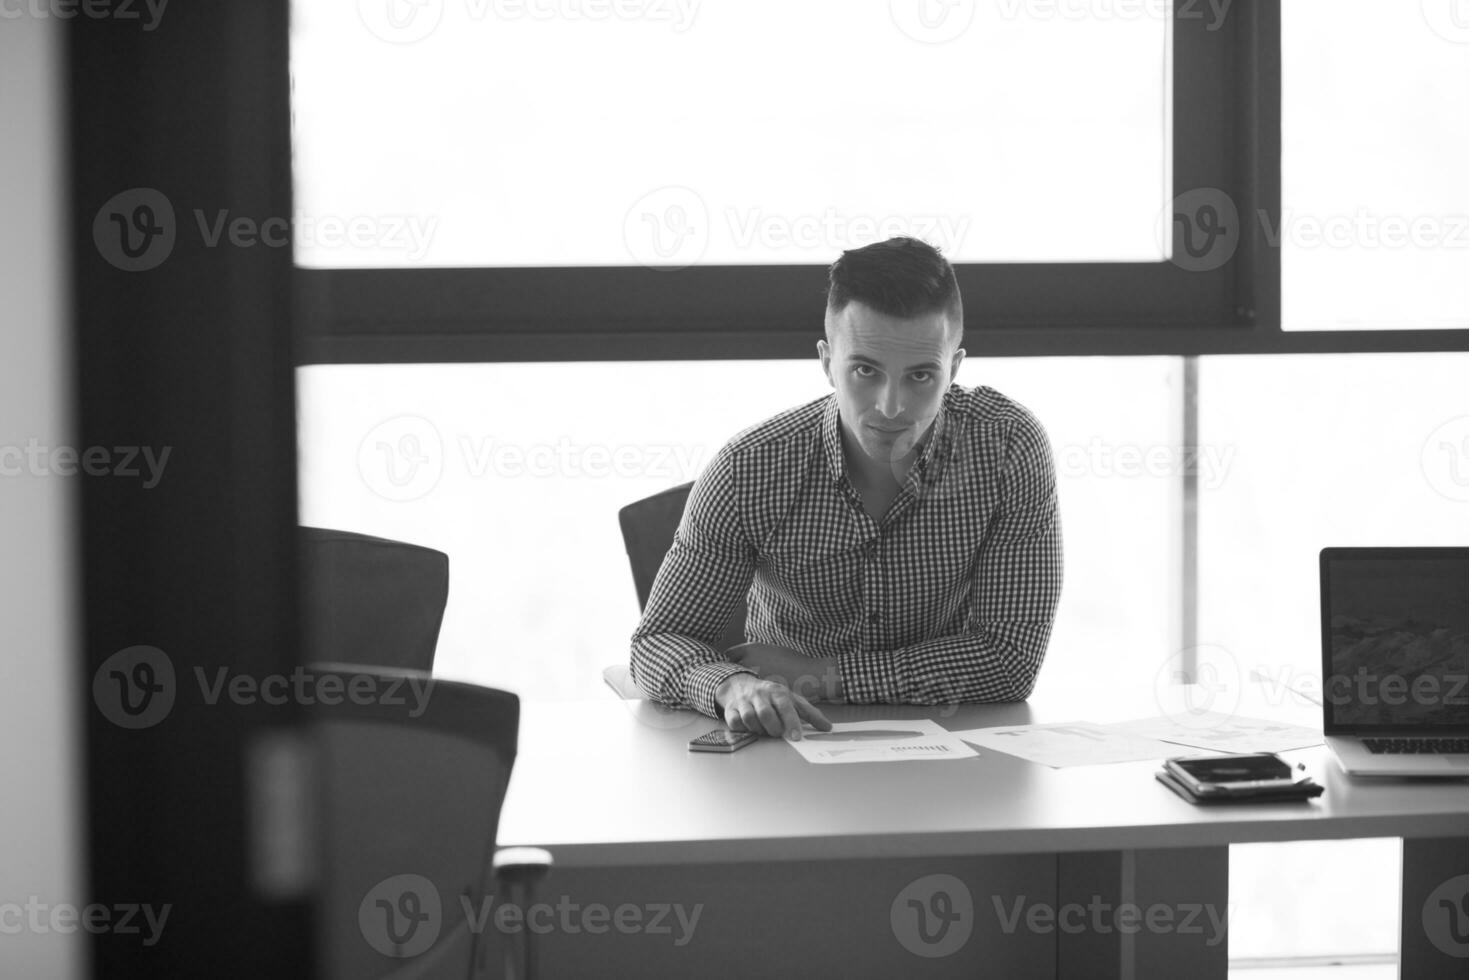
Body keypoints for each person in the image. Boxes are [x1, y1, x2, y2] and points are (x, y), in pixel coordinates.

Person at [629, 237, 1062, 739]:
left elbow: (1009, 662)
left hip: (953, 735)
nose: (892, 406)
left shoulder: (1008, 447)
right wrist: (733, 686)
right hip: (787, 739)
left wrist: (824, 676)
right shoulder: (747, 468)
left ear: (955, 369)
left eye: (921, 375)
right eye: (865, 370)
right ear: (826, 361)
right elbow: (658, 642)